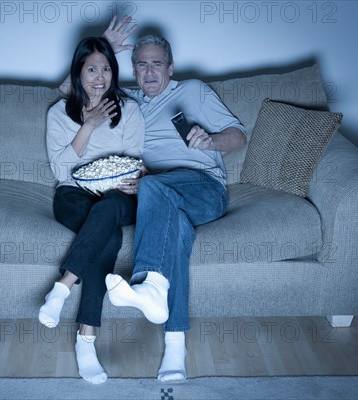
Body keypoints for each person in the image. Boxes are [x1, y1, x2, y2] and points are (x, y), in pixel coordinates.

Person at [98, 16, 247, 382]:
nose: (149, 72)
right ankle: (175, 342)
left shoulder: (193, 90)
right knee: (174, 229)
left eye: (157, 64)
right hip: (161, 200)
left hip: (203, 189)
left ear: (171, 67)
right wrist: (101, 49)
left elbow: (239, 135)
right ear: (132, 69)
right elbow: (68, 92)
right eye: (142, 64)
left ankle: (148, 284)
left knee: (152, 187)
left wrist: (211, 142)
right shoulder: (125, 101)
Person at [40, 36, 145, 384]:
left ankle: (62, 287)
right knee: (108, 235)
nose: (99, 78)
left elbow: (134, 162)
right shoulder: (59, 113)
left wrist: (134, 180)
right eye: (91, 69)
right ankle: (86, 339)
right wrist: (89, 125)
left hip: (117, 196)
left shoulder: (129, 111)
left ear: (114, 73)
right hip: (73, 194)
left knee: (112, 208)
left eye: (106, 69)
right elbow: (61, 172)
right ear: (78, 72)